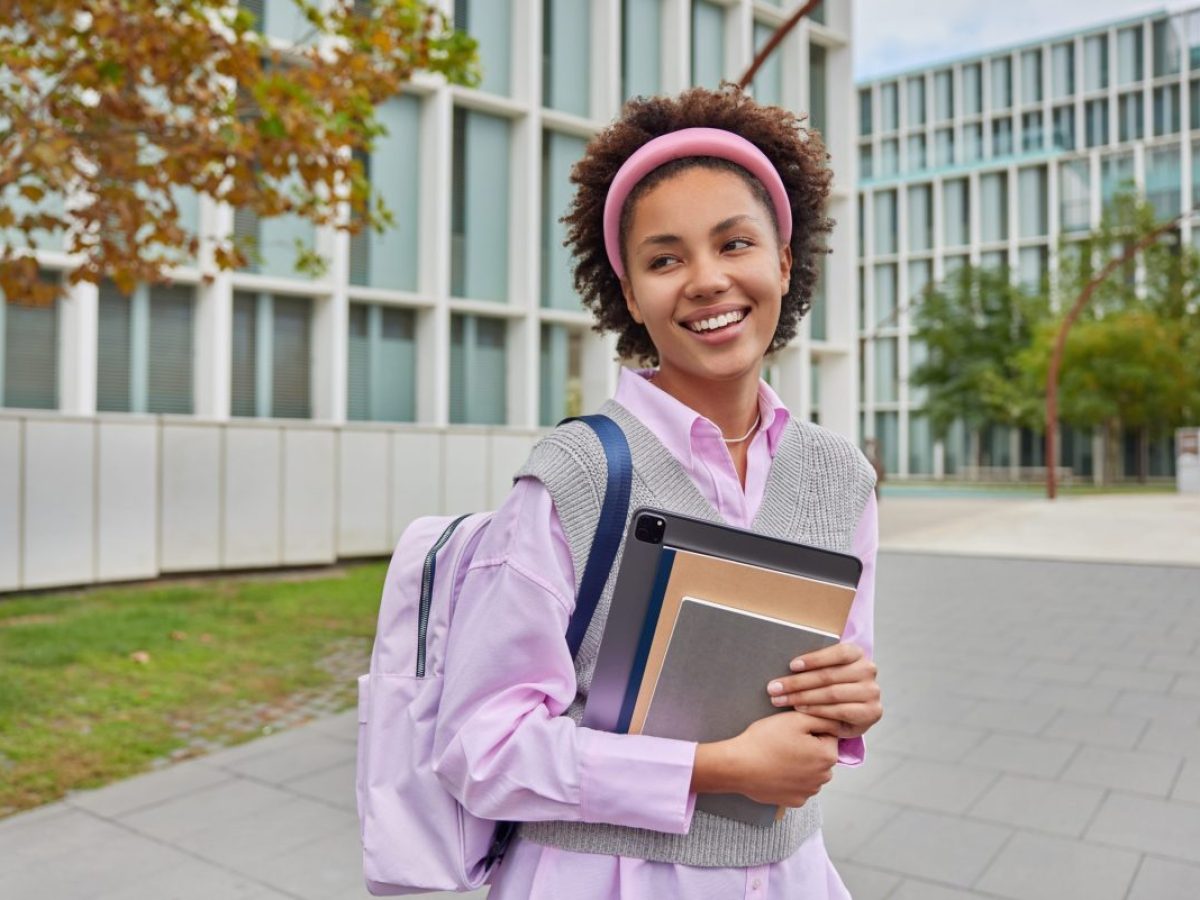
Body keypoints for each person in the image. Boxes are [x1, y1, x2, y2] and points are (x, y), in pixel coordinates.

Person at [432, 86, 881, 899]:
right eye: (665, 258)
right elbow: (479, 746)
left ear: (783, 261)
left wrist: (848, 701)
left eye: (735, 243)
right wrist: (711, 769)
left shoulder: (838, 474)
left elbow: (831, 680)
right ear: (631, 296)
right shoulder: (572, 475)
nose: (707, 281)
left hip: (786, 878)